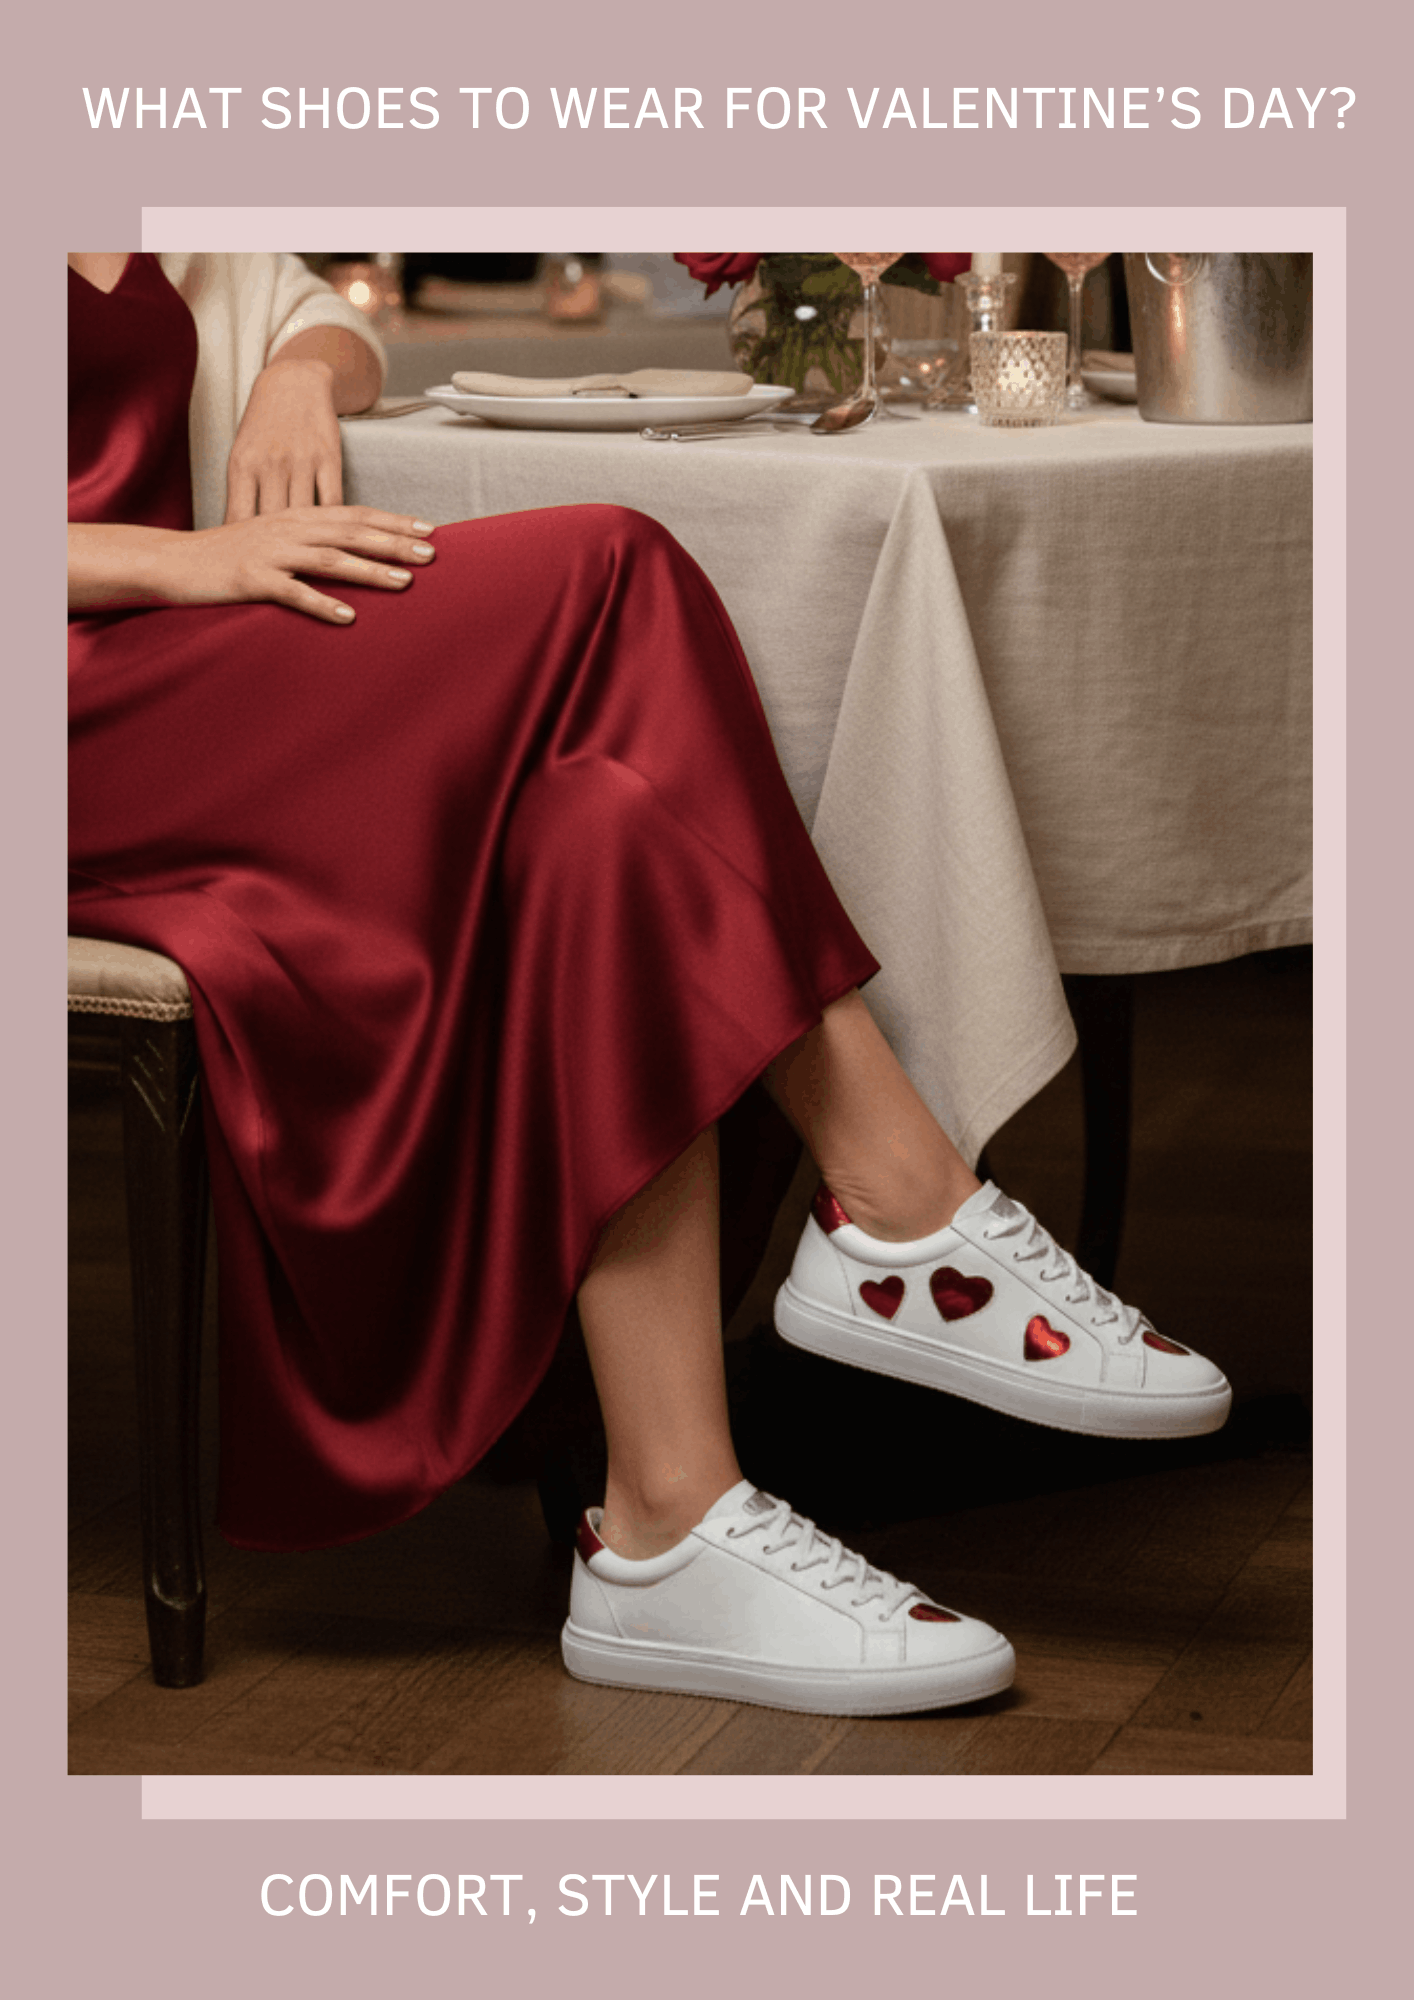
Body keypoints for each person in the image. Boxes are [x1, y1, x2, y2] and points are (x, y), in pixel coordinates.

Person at [69, 252, 1231, 1722]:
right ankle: (896, 1194)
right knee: (608, 564)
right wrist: (159, 560)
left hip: (158, 678)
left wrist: (299, 373)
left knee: (601, 830)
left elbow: (315, 314)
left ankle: (665, 1526)